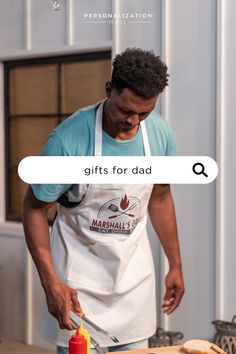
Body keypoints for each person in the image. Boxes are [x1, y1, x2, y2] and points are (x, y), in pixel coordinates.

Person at [22, 48, 185, 354]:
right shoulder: (68, 140)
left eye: (144, 112)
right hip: (77, 287)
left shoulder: (159, 134)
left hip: (132, 286)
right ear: (109, 90)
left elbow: (160, 198)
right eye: (125, 110)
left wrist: (175, 264)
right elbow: (33, 209)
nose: (133, 121)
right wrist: (50, 282)